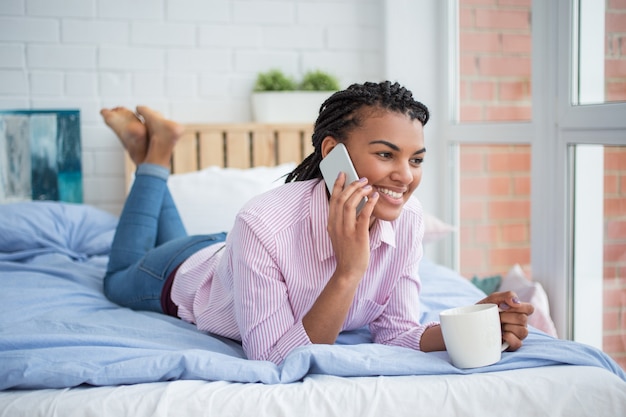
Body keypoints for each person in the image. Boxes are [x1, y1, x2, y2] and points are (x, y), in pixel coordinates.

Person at [101, 81, 534, 365]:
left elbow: (395, 332)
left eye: (416, 159)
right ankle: (154, 155)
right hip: (181, 272)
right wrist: (348, 271)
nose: (405, 175)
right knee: (117, 276)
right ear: (332, 153)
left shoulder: (408, 220)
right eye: (386, 155)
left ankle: (147, 148)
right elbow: (275, 358)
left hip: (228, 253)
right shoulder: (262, 222)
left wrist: (473, 322)